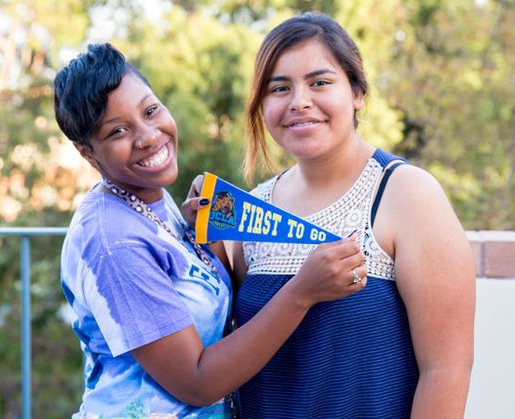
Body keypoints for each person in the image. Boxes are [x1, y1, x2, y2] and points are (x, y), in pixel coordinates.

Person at [53, 42, 367, 418]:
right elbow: (197, 382)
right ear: (87, 152)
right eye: (118, 131)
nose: (149, 136)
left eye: (151, 111)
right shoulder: (112, 240)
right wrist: (302, 291)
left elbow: (210, 313)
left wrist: (206, 237)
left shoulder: (152, 202)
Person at [232, 12, 475, 418]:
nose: (299, 101)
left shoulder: (406, 194)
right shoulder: (251, 209)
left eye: (320, 82)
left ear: (357, 92)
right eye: (280, 88)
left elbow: (447, 369)